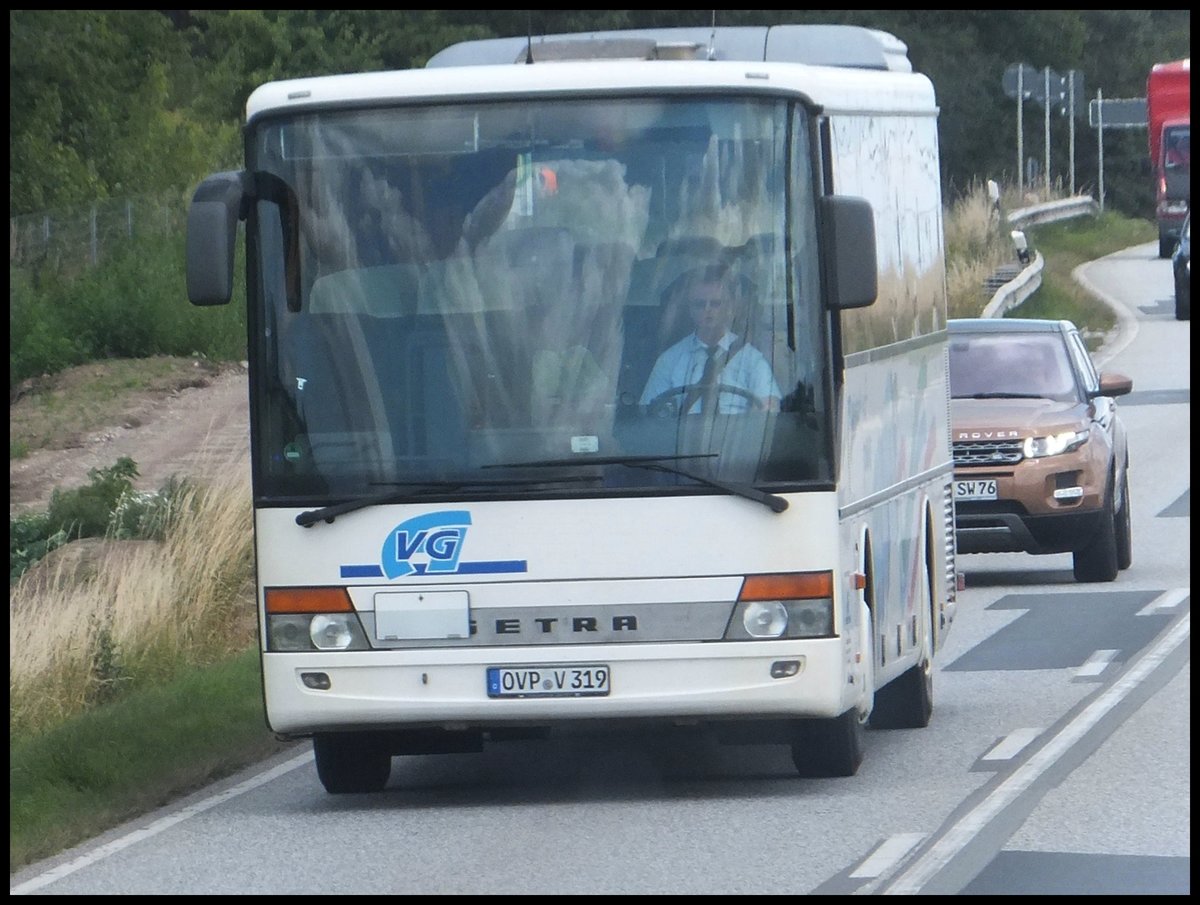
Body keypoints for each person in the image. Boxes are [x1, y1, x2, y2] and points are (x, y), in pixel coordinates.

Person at [639, 264, 781, 415]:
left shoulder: (751, 359)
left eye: (715, 303)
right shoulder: (669, 360)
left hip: (737, 436)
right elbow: (647, 415)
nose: (708, 310)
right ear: (690, 310)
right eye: (700, 304)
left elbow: (769, 410)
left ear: (729, 307)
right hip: (679, 437)